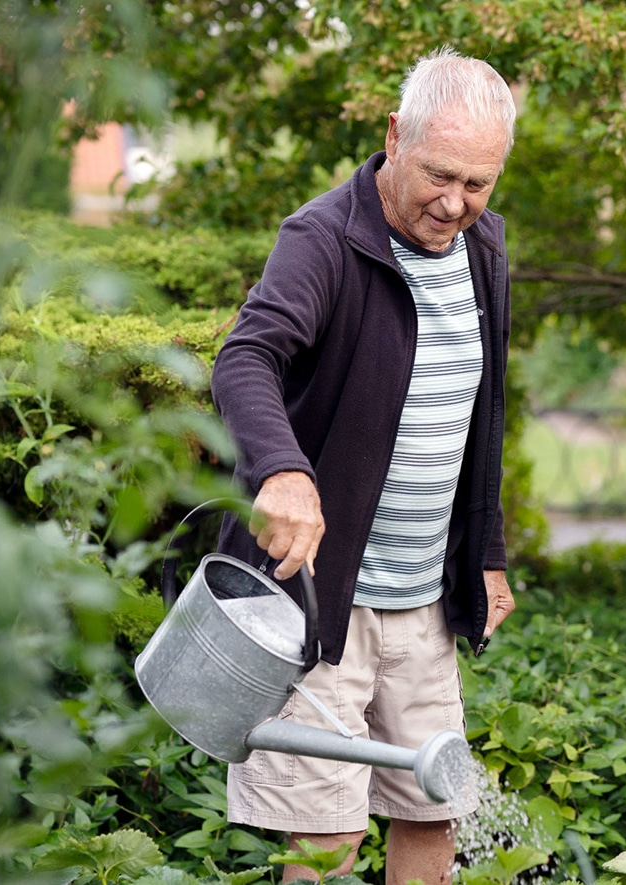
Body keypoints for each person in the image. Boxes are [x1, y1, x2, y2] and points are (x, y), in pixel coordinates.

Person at [209, 46, 518, 885]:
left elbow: (480, 417)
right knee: (323, 841)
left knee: (431, 813)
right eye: (439, 175)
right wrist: (281, 470)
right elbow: (245, 359)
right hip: (318, 606)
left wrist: (485, 551)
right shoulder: (322, 240)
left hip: (425, 608)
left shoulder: (484, 250)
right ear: (394, 137)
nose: (455, 203)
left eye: (479, 184)